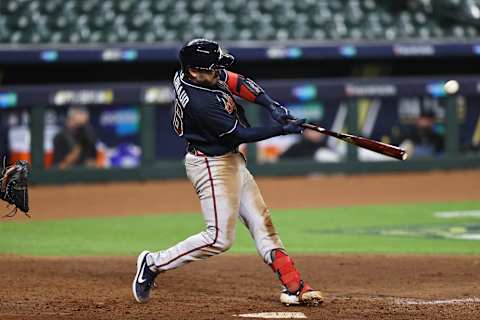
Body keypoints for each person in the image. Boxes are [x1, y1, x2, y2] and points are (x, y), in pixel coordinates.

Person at [132, 39, 324, 306]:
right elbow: (239, 133)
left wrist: (271, 106)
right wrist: (282, 129)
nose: (217, 72)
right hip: (210, 165)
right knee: (218, 239)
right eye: (212, 68)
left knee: (262, 223)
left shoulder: (198, 74)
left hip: (229, 159)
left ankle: (294, 285)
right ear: (194, 72)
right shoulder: (200, 102)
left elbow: (235, 80)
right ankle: (152, 263)